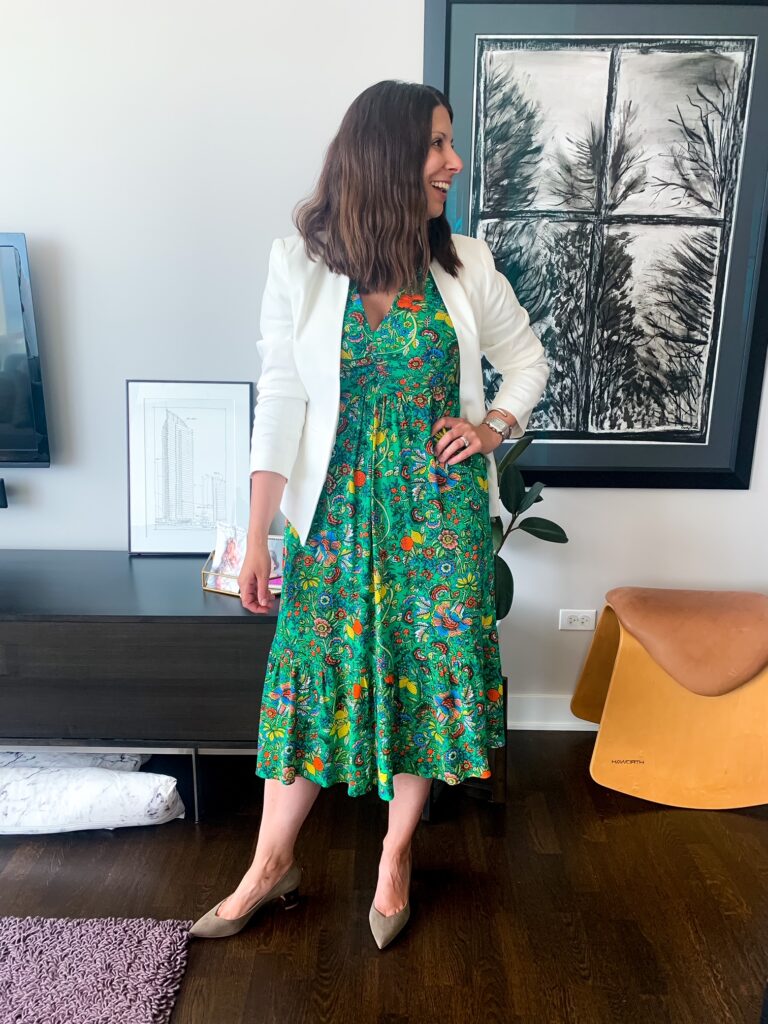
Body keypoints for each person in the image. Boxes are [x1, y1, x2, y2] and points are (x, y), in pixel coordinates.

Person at [190, 80, 550, 948]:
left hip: (440, 513)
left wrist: (491, 427)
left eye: (450, 144)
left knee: (425, 675)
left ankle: (395, 858)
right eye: (436, 145)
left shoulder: (467, 266)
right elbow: (279, 399)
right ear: (386, 154)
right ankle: (269, 866)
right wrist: (256, 535)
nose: (453, 163)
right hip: (337, 515)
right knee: (307, 678)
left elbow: (529, 362)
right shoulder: (301, 266)